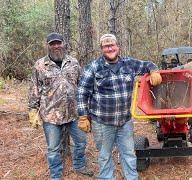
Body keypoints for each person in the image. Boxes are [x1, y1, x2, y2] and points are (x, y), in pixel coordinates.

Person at [77, 33, 162, 179]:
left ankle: (131, 177)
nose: (110, 48)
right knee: (104, 156)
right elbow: (81, 93)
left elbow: (148, 64)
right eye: (106, 46)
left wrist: (154, 70)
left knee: (128, 153)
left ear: (118, 46)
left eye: (112, 45)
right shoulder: (93, 67)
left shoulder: (129, 63)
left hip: (125, 122)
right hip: (102, 123)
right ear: (101, 49)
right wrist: (83, 116)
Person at [28, 32, 93, 179]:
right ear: (48, 45)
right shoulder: (40, 65)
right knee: (53, 148)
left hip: (74, 113)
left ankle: (79, 165)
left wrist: (87, 108)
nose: (56, 46)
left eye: (58, 43)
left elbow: (82, 86)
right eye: (52, 43)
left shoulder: (74, 62)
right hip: (51, 115)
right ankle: (55, 174)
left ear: (64, 44)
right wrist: (32, 110)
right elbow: (34, 88)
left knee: (81, 142)